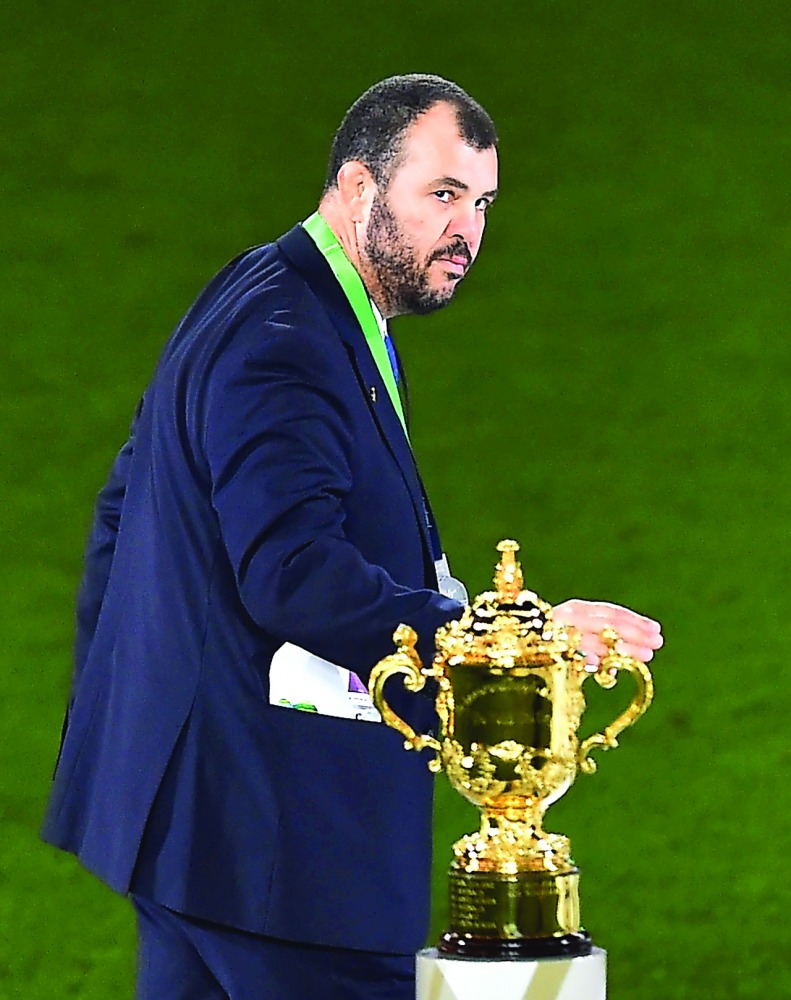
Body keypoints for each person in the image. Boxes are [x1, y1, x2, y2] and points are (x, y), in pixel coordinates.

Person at [42, 74, 662, 999]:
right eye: (442, 195)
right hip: (278, 853)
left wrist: (142, 726)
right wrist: (510, 648)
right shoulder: (285, 336)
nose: (468, 231)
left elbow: (125, 505)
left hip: (191, 831)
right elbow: (292, 571)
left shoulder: (274, 292)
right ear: (361, 189)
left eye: (482, 201)